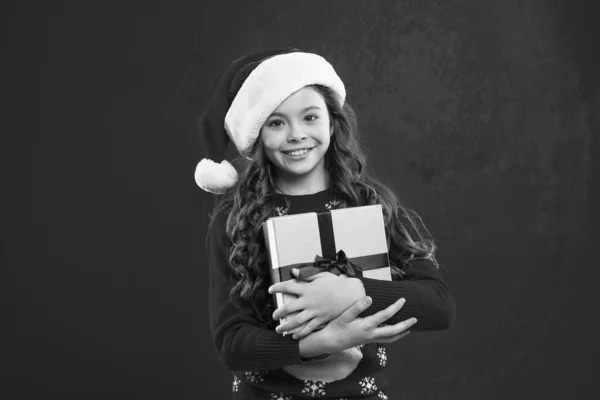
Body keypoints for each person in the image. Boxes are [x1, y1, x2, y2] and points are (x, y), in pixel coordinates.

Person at [195, 48, 456, 400]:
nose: (296, 134)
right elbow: (232, 343)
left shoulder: (370, 204)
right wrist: (319, 342)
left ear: (332, 124)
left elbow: (439, 305)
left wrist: (353, 291)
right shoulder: (235, 221)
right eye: (276, 122)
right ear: (257, 135)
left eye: (310, 117)